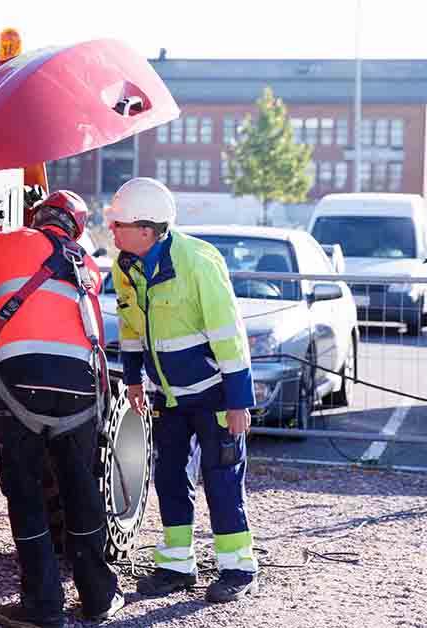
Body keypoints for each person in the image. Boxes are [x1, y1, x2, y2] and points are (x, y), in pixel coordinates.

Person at [0, 190, 125, 628]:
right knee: (80, 488)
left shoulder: (1, 244)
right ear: (75, 227)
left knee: (26, 490)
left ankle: (42, 604)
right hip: (82, 389)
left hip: (19, 385)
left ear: (37, 216)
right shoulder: (88, 266)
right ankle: (98, 596)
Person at [107, 177, 259, 603]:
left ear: (146, 229)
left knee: (222, 479)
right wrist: (133, 379)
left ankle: (238, 568)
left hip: (212, 395)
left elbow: (230, 336)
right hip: (167, 398)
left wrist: (237, 401)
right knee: (170, 478)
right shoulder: (125, 266)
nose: (112, 231)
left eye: (118, 224)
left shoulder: (197, 263)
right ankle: (177, 567)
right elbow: (132, 328)